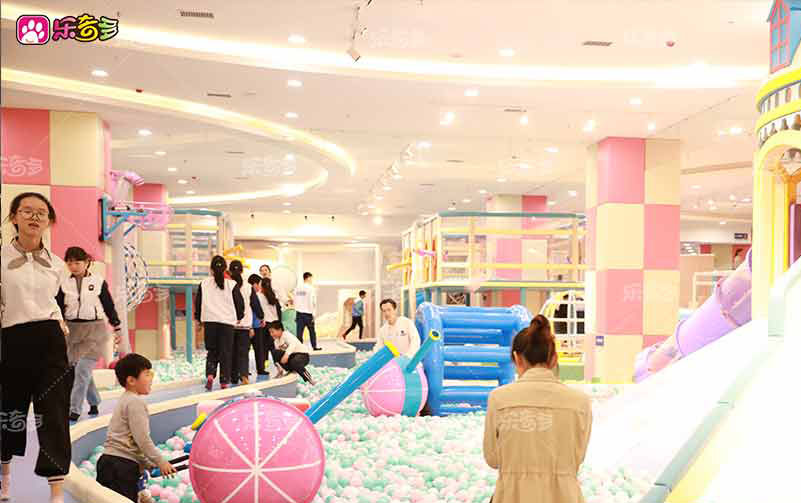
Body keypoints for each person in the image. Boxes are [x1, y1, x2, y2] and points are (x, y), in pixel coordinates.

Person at [1, 192, 72, 503]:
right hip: (11, 339)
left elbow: (57, 301)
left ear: (49, 221)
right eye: (27, 211)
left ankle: (56, 492)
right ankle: (5, 478)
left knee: (54, 413)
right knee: (9, 412)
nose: (34, 217)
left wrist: (61, 325)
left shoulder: (57, 264)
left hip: (50, 341)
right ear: (14, 217)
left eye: (41, 212)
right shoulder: (1, 258)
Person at [483, 315, 592, 503]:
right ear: (554, 359)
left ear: (516, 358)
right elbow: (578, 456)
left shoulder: (499, 399)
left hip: (513, 496)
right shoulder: (580, 402)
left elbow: (493, 459)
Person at [96, 353, 175, 501]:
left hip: (109, 461)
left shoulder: (125, 399)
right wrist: (160, 461)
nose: (151, 378)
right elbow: (142, 439)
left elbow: (129, 440)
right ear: (131, 380)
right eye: (147, 374)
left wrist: (146, 463)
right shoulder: (135, 402)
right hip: (121, 467)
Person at [56, 246, 122, 422]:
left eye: (77, 262)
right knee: (79, 370)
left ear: (86, 262)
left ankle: (74, 410)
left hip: (95, 330)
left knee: (82, 369)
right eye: (69, 263)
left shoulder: (98, 281)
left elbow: (108, 305)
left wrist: (116, 325)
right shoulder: (63, 283)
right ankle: (94, 401)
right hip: (72, 330)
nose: (73, 266)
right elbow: (58, 307)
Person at [194, 256, 244, 391]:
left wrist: (198, 319)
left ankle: (210, 375)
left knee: (212, 351)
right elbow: (239, 303)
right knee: (225, 352)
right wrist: (239, 316)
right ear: (225, 269)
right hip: (226, 323)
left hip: (210, 322)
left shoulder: (204, 283)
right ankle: (224, 381)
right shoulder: (232, 284)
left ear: (211, 269)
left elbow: (198, 303)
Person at [228, 261, 262, 385]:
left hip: (230, 324)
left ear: (229, 271)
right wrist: (261, 316)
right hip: (245, 325)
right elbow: (255, 303)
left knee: (231, 351)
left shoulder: (227, 285)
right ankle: (244, 375)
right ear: (242, 271)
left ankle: (232, 377)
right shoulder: (248, 287)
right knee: (243, 352)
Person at [257, 276, 283, 376]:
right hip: (274, 324)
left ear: (261, 286)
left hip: (265, 324)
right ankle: (279, 366)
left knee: (263, 347)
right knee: (273, 347)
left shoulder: (259, 296)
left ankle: (264, 367)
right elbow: (278, 311)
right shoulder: (273, 296)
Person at [293, 272, 321, 350]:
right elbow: (313, 302)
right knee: (312, 331)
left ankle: (299, 348)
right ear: (309, 278)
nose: (312, 280)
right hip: (308, 314)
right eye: (311, 278)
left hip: (299, 313)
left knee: (299, 332)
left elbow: (295, 300)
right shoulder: (311, 289)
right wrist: (313, 314)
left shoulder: (297, 288)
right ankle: (314, 346)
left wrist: (296, 311)